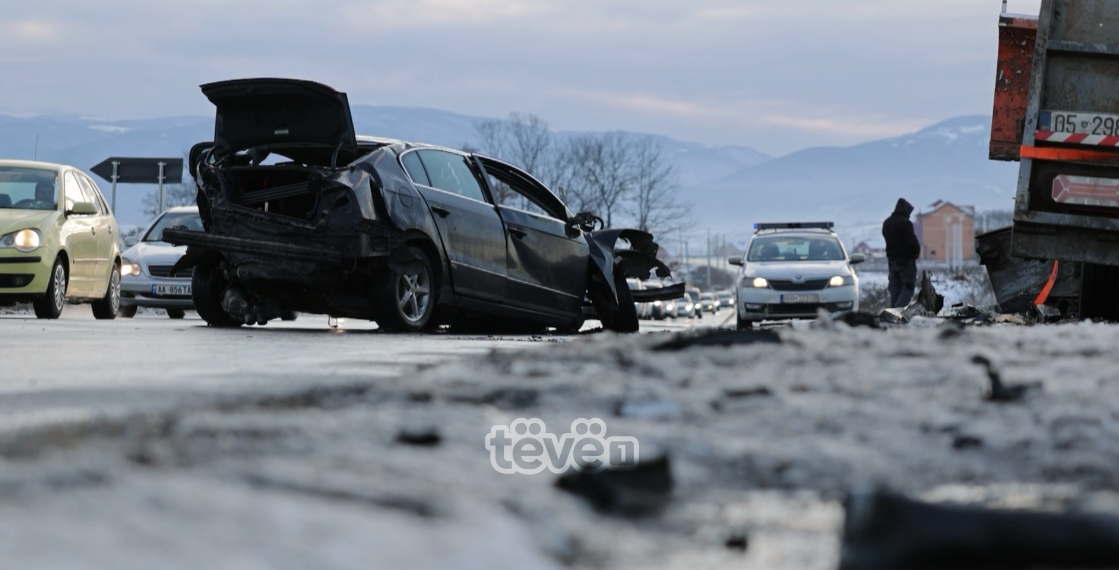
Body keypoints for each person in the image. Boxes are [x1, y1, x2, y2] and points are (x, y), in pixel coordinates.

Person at [882, 198, 921, 308]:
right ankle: (898, 312)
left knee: (895, 290)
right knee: (907, 289)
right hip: (906, 262)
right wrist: (915, 254)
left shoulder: (887, 223)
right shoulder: (905, 223)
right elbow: (912, 243)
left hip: (891, 262)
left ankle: (892, 315)